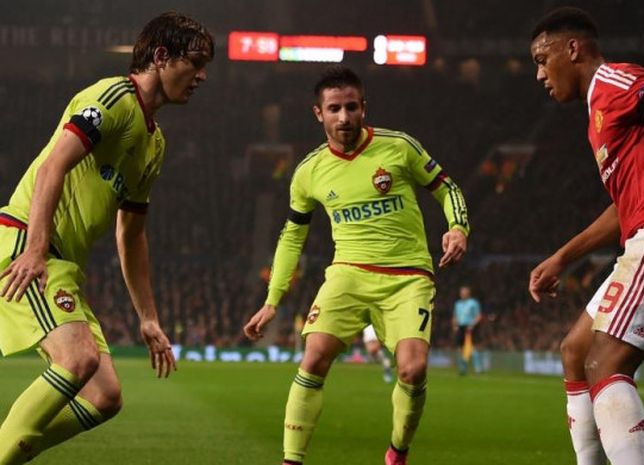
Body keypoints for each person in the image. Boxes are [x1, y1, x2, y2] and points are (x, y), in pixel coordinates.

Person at [0, 12, 213, 464]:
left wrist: (148, 317)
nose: (201, 76)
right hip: (25, 242)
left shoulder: (155, 145)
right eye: (194, 63)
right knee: (77, 361)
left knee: (106, 396)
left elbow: (132, 234)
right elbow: (53, 165)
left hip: (61, 263)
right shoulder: (113, 97)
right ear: (160, 56)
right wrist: (36, 250)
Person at [243, 66, 469, 465]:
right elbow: (292, 235)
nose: (344, 117)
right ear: (319, 113)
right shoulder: (308, 172)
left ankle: (397, 452)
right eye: (334, 108)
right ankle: (291, 460)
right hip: (347, 273)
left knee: (413, 370)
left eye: (351, 106)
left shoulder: (399, 147)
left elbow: (447, 188)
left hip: (408, 277)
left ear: (364, 107)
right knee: (313, 356)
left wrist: (457, 227)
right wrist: (272, 299)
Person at [528, 7, 644, 465]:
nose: (540, 74)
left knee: (605, 362)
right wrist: (564, 256)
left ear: (574, 48)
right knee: (575, 350)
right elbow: (623, 207)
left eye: (544, 59)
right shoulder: (595, 116)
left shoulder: (614, 82)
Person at [452, 285, 482, 375]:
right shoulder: (457, 304)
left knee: (473, 347)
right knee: (460, 348)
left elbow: (478, 316)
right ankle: (463, 369)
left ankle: (478, 369)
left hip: (470, 327)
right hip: (460, 327)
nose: (462, 294)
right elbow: (455, 316)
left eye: (464, 293)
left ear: (468, 294)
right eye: (461, 293)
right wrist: (454, 325)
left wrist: (473, 324)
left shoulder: (473, 303)